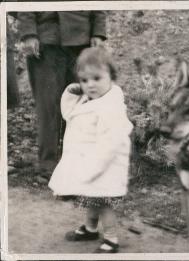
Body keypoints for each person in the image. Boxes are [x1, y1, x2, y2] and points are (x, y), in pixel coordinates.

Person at [48, 47, 133, 253]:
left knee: (103, 201)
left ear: (111, 77)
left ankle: (111, 239)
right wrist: (71, 93)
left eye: (97, 78)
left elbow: (111, 142)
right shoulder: (88, 100)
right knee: (90, 197)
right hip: (89, 163)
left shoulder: (110, 107)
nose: (90, 84)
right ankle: (90, 228)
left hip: (104, 165)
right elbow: (69, 114)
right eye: (85, 80)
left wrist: (95, 167)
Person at [18, 11, 107, 176]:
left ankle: (76, 162)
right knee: (48, 105)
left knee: (79, 104)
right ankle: (48, 164)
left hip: (81, 39)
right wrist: (29, 33)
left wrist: (98, 32)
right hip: (46, 40)